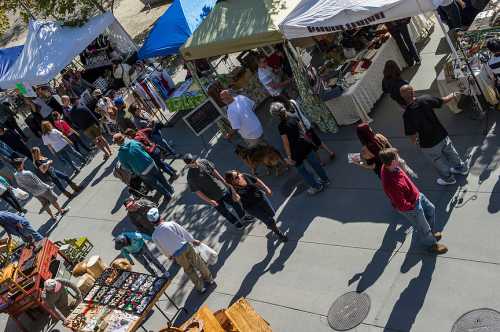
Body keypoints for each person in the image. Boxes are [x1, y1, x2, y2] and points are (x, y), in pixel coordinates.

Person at [379, 148, 448, 254]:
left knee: (431, 210)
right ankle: (431, 244)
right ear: (393, 162)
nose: (400, 158)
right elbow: (401, 204)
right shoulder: (390, 183)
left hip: (417, 195)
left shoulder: (390, 166)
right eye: (397, 157)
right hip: (411, 206)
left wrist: (401, 164)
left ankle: (430, 234)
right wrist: (413, 208)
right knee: (422, 226)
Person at [400, 85, 468, 185]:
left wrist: (415, 141)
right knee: (450, 152)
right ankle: (461, 168)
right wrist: (453, 95)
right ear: (413, 92)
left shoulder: (407, 115)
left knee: (437, 161)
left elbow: (412, 134)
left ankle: (449, 179)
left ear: (402, 97)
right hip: (441, 134)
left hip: (428, 143)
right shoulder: (425, 99)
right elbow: (442, 101)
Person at [148, 208, 214, 293]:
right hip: (185, 246)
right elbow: (183, 232)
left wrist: (169, 255)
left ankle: (200, 287)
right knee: (198, 262)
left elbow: (162, 248)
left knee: (188, 269)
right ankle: (209, 279)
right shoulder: (171, 224)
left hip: (176, 254)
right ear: (160, 217)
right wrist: (192, 240)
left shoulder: (154, 236)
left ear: (151, 223)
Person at [269, 101, 330, 195]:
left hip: (295, 151)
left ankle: (316, 186)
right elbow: (303, 131)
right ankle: (325, 180)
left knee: (303, 171)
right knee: (316, 164)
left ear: (276, 115)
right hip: (305, 144)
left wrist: (289, 157)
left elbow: (286, 143)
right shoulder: (293, 116)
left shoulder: (281, 126)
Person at [184, 153, 247, 229]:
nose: (194, 162)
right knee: (225, 212)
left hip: (221, 189)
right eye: (192, 162)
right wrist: (209, 201)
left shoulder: (203, 162)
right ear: (188, 165)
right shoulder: (190, 177)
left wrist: (225, 182)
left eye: (194, 160)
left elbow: (215, 172)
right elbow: (197, 191)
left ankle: (243, 217)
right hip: (213, 198)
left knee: (235, 203)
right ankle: (237, 224)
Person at [224, 170, 288, 241]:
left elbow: (257, 181)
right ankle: (279, 233)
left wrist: (266, 188)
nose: (238, 176)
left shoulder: (244, 176)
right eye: (236, 177)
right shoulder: (232, 189)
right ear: (231, 181)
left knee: (272, 213)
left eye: (238, 174)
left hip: (261, 198)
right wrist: (232, 187)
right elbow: (236, 199)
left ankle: (270, 225)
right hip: (251, 207)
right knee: (268, 219)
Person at [114, 133, 173, 202]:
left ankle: (167, 195)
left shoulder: (120, 155)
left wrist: (134, 170)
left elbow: (127, 167)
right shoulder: (133, 142)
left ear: (117, 143)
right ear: (124, 138)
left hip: (142, 171)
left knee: (155, 183)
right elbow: (144, 148)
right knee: (161, 177)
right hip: (151, 163)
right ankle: (170, 189)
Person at [284, 98, 336, 164]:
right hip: (306, 123)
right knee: (317, 140)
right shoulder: (293, 101)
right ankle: (330, 152)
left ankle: (321, 162)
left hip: (302, 129)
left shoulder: (287, 112)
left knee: (312, 145)